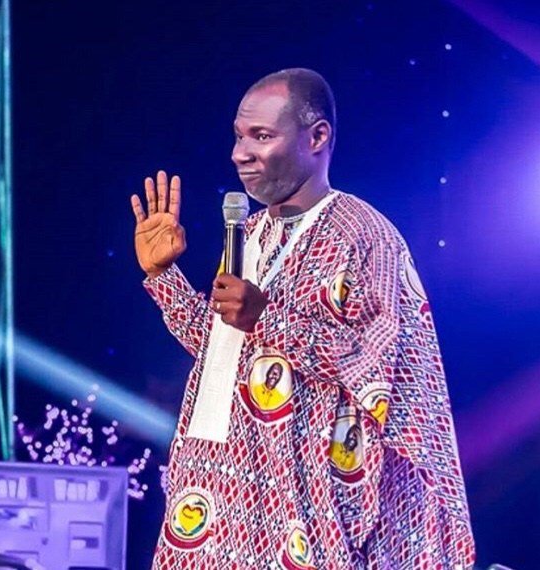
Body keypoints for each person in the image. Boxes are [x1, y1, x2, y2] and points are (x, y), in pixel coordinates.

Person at [131, 68, 475, 569]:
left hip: (300, 490)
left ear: (317, 137)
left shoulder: (363, 235)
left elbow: (377, 364)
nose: (240, 153)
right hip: (214, 477)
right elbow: (221, 349)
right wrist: (163, 276)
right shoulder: (249, 232)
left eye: (261, 136)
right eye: (238, 136)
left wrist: (266, 317)